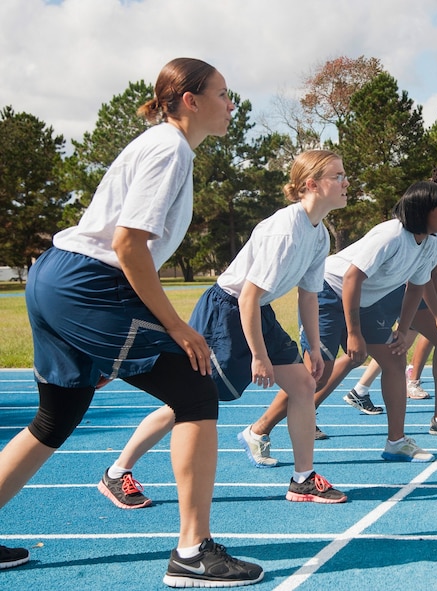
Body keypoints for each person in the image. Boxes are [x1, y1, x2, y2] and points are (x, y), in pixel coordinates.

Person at [0, 58, 264, 586]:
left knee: (57, 417)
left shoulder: (167, 148)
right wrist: (176, 326)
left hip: (61, 279)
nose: (231, 105)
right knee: (195, 389)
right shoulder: (169, 149)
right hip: (89, 284)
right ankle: (192, 553)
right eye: (223, 94)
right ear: (190, 100)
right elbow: (128, 244)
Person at [97, 150, 348, 510]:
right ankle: (117, 471)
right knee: (192, 398)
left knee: (304, 384)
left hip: (255, 311)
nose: (346, 182)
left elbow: (308, 294)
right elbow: (247, 296)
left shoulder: (318, 234)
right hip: (227, 311)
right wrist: (259, 356)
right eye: (338, 176)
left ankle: (303, 479)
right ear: (311, 184)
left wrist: (315, 347)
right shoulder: (285, 230)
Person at [247, 181, 437, 459]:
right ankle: (258, 430)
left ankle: (396, 442)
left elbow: (417, 286)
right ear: (422, 211)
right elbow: (352, 278)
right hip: (329, 291)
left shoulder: (430, 242)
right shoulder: (390, 236)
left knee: (394, 358)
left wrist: (403, 330)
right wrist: (354, 333)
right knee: (316, 373)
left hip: (363, 300)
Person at [345, 162, 437, 432]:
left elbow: (432, 270)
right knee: (352, 356)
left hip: (405, 287)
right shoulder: (418, 229)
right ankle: (322, 400)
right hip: (381, 290)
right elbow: (426, 275)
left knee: (426, 342)